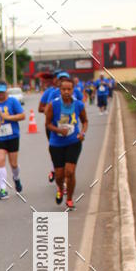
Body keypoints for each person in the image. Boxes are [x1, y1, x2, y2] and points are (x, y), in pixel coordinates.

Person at [46, 76, 88, 210]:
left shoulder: (79, 104)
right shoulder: (54, 105)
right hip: (56, 143)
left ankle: (69, 199)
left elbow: (85, 121)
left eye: (69, 89)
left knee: (70, 172)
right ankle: (59, 187)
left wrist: (82, 133)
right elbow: (47, 124)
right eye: (63, 89)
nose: (66, 92)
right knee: (59, 175)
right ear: (60, 90)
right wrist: (58, 130)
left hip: (73, 141)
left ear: (73, 90)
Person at [0, 80, 26, 197]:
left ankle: (16, 178)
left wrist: (8, 117)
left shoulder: (13, 101)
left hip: (12, 136)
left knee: (13, 164)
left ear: (6, 91)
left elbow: (22, 115)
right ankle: (3, 189)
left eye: (1, 92)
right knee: (0, 161)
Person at [39, 71, 60, 182]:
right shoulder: (49, 92)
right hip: (51, 126)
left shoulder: (72, 91)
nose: (60, 81)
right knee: (54, 148)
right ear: (54, 80)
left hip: (68, 127)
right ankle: (54, 169)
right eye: (58, 78)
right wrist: (51, 111)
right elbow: (40, 108)